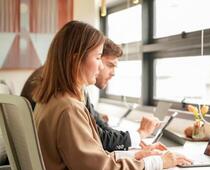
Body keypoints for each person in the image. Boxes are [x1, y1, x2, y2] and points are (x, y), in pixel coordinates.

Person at [32, 20, 191, 170]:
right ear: (75, 59)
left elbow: (92, 160)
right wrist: (158, 163)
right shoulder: (69, 109)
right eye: (98, 57)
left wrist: (136, 155)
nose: (100, 66)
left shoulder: (52, 101)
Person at [21, 40, 161, 152]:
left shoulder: (67, 84)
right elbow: (97, 139)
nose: (113, 72)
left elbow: (97, 128)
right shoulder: (63, 92)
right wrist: (139, 134)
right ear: (81, 58)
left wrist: (132, 139)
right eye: (108, 63)